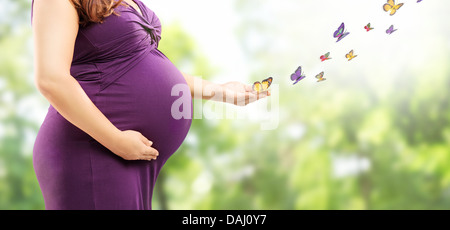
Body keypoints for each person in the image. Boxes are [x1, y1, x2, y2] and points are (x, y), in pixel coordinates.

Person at [31, 0, 268, 210]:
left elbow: (140, 64)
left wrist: (221, 91)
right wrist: (116, 140)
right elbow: (51, 79)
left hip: (128, 154)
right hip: (92, 151)